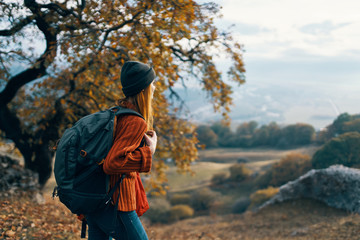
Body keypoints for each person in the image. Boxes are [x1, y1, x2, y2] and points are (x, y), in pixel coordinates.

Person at [85, 61, 157, 240]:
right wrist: (149, 151)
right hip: (117, 204)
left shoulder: (116, 113)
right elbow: (113, 163)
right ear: (144, 90)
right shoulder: (134, 121)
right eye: (152, 83)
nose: (154, 87)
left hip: (97, 202)